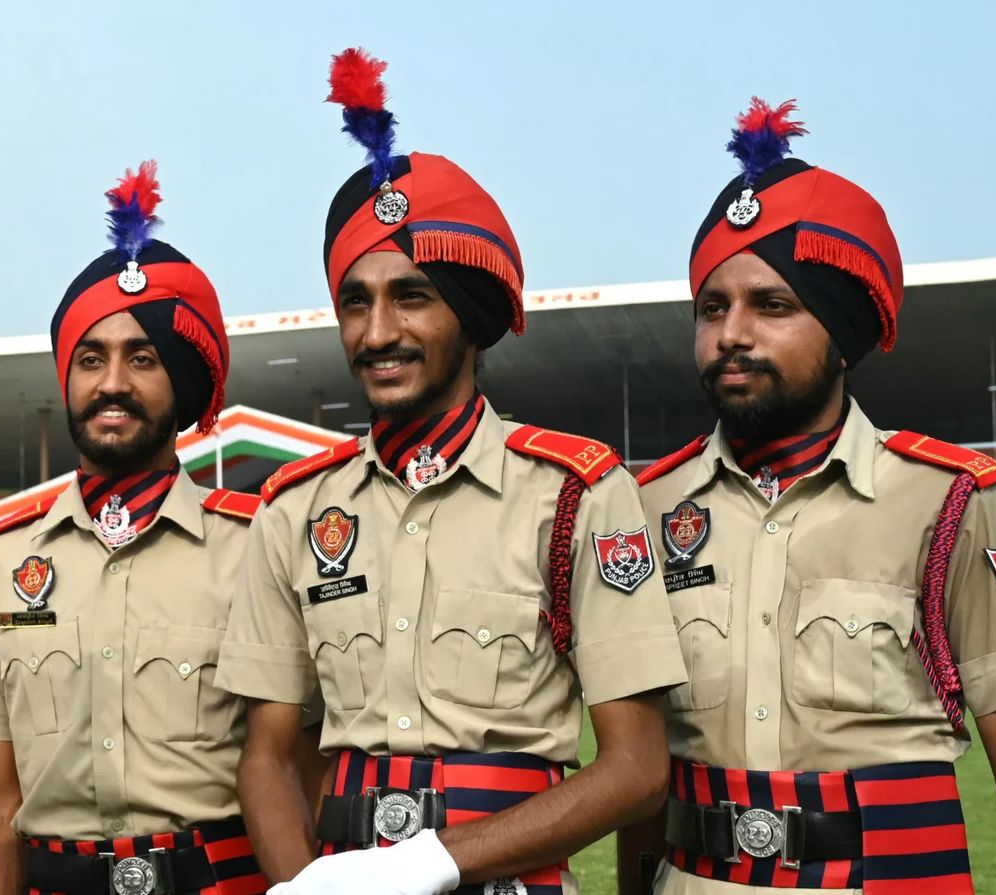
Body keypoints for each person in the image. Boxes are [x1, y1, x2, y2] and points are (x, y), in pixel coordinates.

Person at [215, 50, 689, 895]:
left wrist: (432, 861)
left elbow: (638, 767)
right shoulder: (293, 509)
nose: (377, 332)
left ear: (469, 317)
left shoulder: (573, 493)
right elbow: (268, 754)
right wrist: (303, 888)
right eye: (356, 301)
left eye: (412, 296)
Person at [620, 98, 996, 895]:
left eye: (773, 306)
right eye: (713, 308)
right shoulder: (644, 510)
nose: (732, 333)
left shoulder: (948, 500)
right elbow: (640, 773)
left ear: (844, 337)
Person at [0, 161, 273, 895]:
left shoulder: (257, 547)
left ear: (181, 386)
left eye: (143, 359)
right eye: (90, 359)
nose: (113, 382)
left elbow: (296, 767)